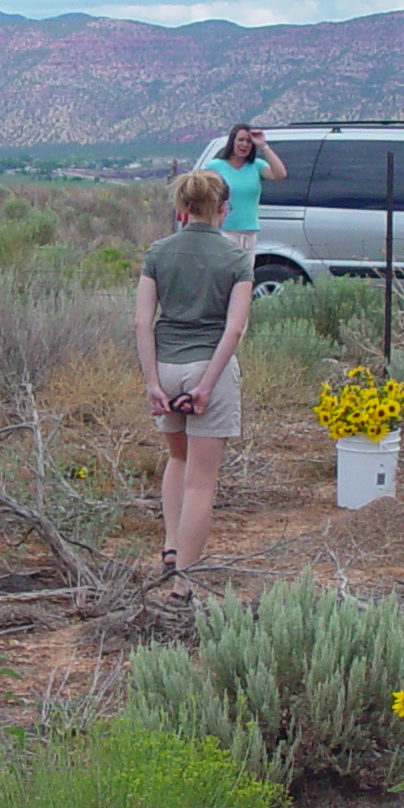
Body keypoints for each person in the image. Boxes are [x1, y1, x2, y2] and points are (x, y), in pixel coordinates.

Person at [136, 168, 254, 605]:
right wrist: (206, 385)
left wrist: (152, 382)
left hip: (166, 367)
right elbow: (234, 328)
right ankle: (184, 582)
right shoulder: (236, 258)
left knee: (177, 457)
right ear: (223, 210)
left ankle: (171, 545)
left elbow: (142, 321)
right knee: (202, 483)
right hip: (210, 368)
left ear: (182, 209)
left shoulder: (158, 252)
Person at [204, 122, 288, 252]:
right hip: (224, 232)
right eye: (241, 140)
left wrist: (263, 146)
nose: (244, 144)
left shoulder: (256, 165)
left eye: (249, 141)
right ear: (232, 141)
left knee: (246, 271)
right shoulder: (215, 166)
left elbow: (280, 174)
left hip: (249, 234)